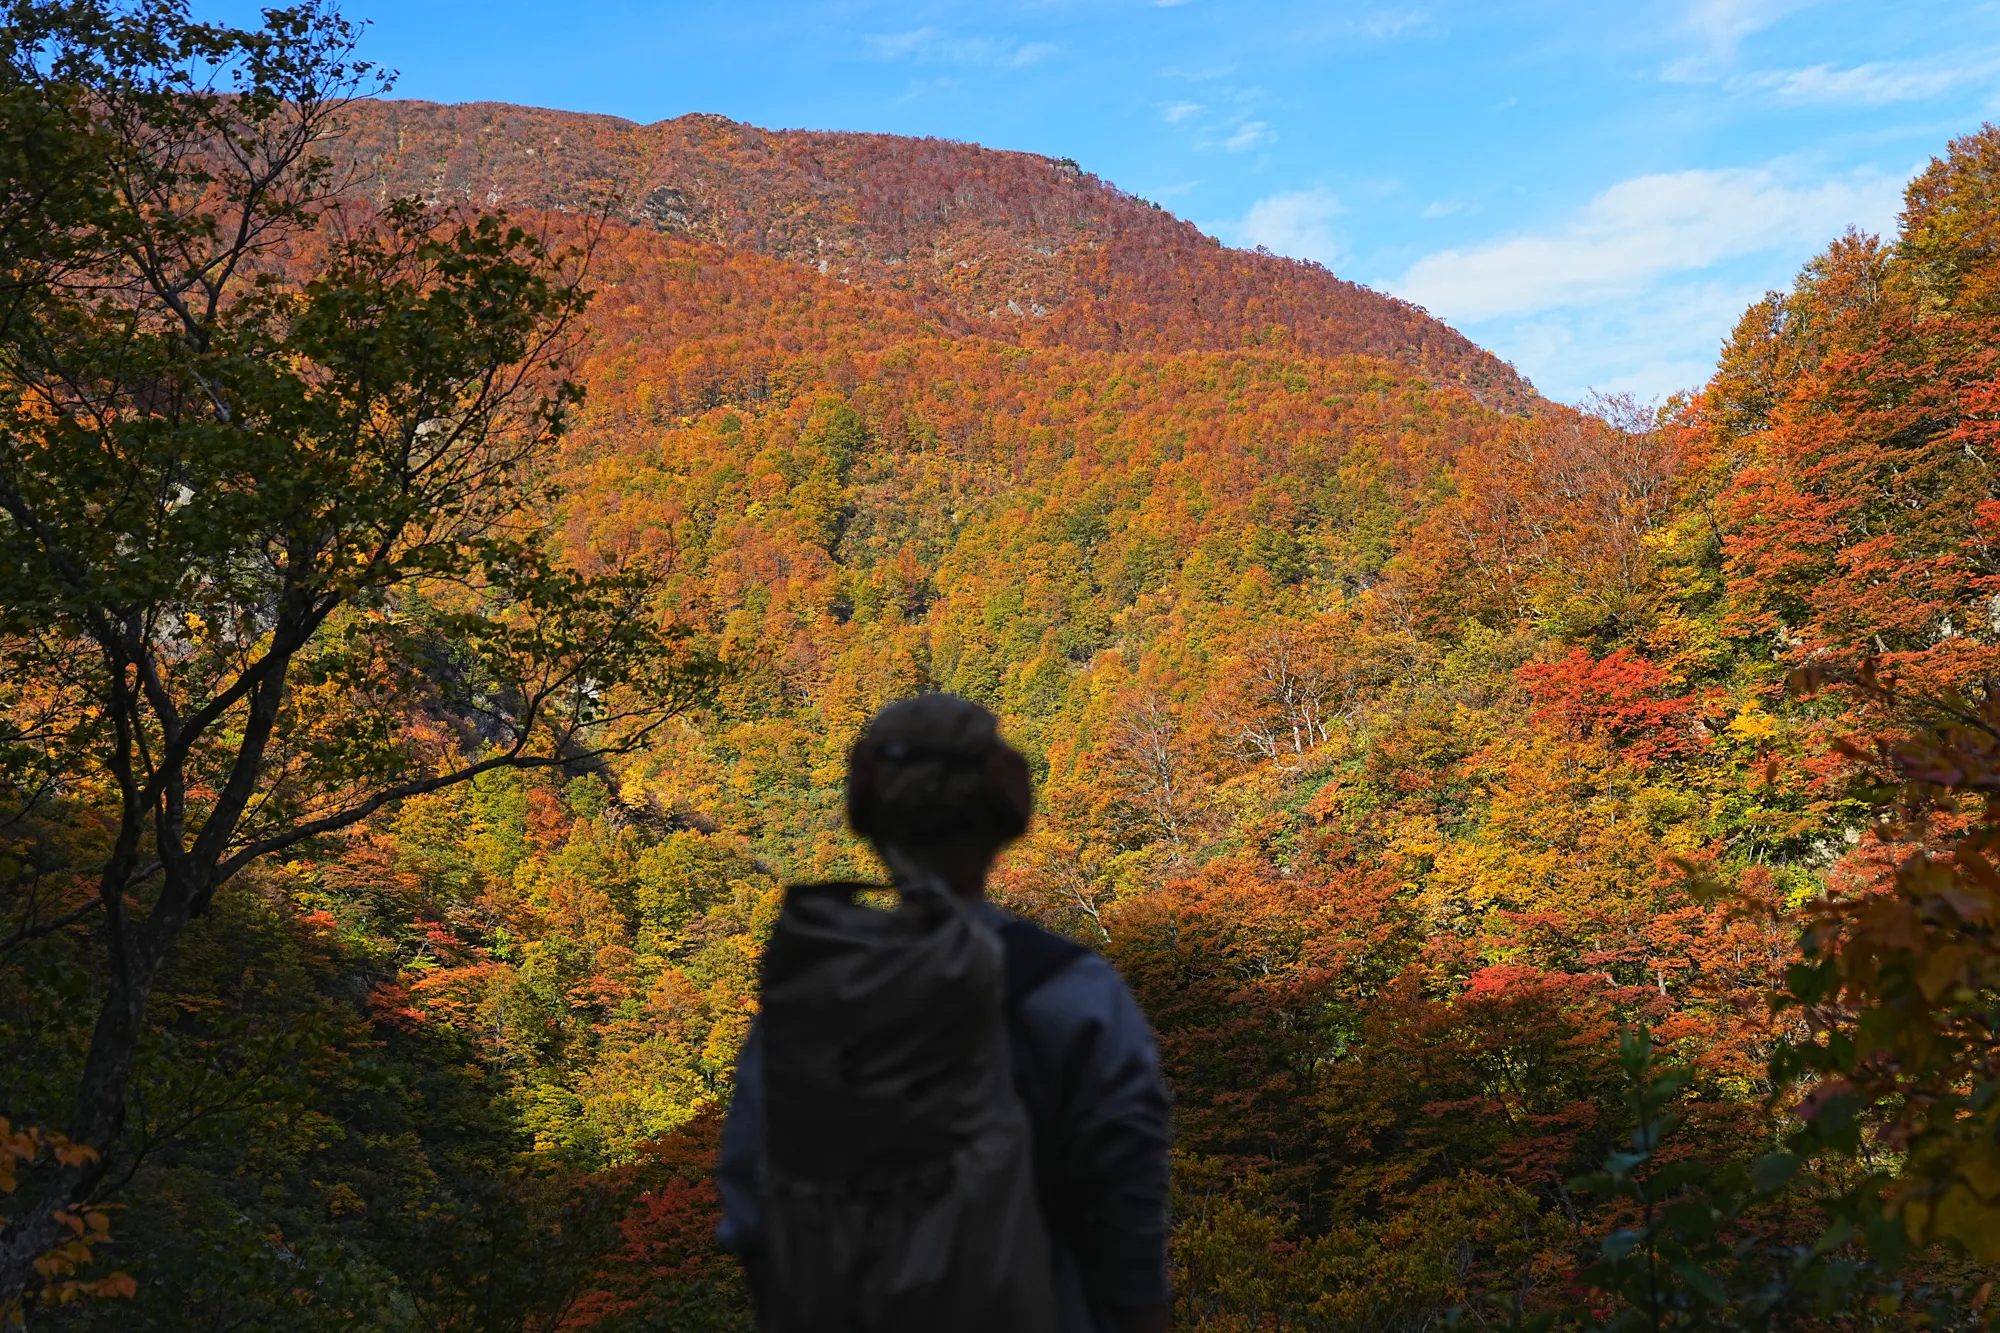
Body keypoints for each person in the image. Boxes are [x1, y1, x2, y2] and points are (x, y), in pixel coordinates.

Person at [717, 693, 1172, 1333]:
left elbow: (748, 1203)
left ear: (867, 815)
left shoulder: (810, 1002)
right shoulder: (1071, 991)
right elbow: (1128, 1203)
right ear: (1006, 810)